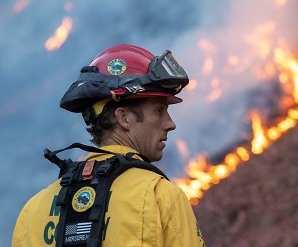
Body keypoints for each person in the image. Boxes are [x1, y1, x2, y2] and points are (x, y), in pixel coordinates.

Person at [12, 44, 205, 247]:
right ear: (124, 118)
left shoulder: (32, 213)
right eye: (159, 110)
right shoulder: (160, 197)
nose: (170, 123)